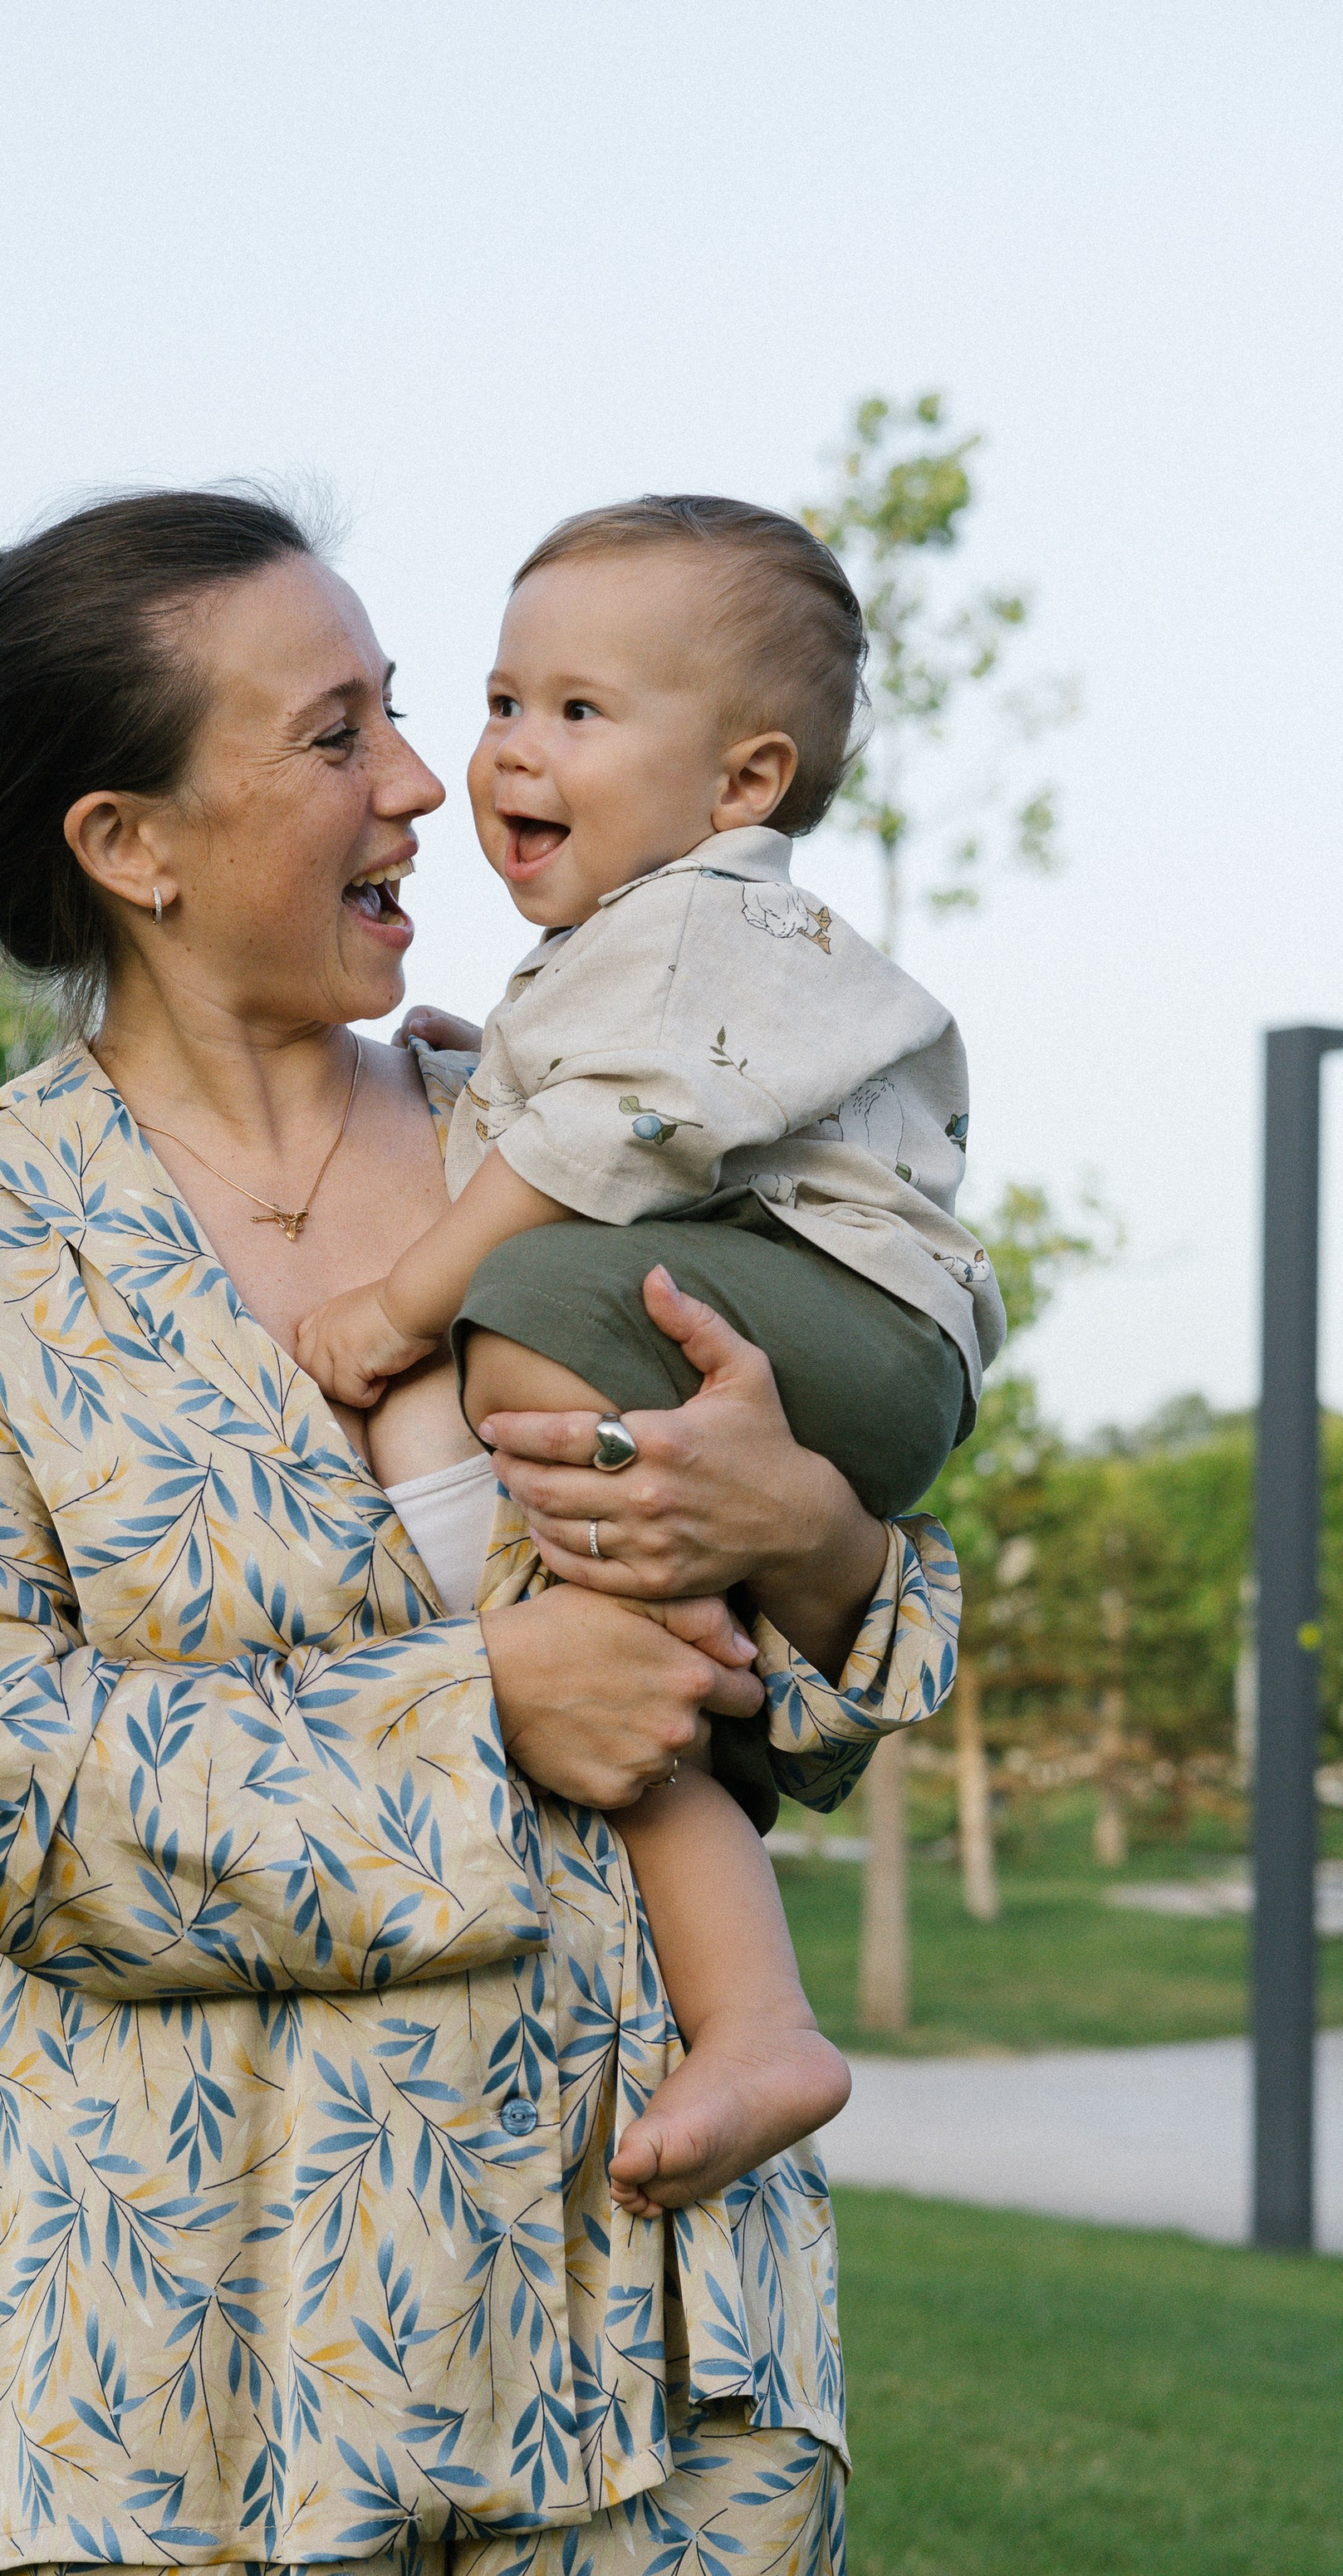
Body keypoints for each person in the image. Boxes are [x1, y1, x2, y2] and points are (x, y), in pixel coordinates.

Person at [0, 488, 961, 2576]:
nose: (432, 779)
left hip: (645, 2359)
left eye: (412, 703)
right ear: (134, 843)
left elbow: (849, 1631)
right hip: (182, 2398)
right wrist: (485, 1718)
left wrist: (808, 1537)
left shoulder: (588, 1127)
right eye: (337, 733)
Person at [295, 493, 1003, 2217]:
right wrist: (504, 1073)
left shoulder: (694, 926)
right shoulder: (644, 947)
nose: (497, 755)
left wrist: (397, 1306)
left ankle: (629, 1622)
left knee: (506, 1318)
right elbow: (598, 1100)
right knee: (633, 1681)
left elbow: (601, 1140)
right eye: (499, 702)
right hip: (837, 1319)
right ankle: (749, 2004)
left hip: (830, 1322)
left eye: (578, 713)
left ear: (742, 783)